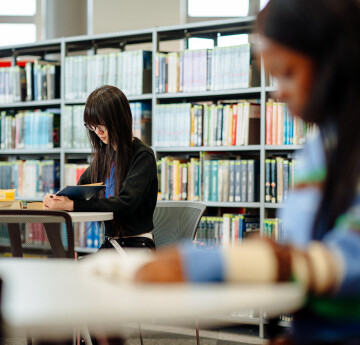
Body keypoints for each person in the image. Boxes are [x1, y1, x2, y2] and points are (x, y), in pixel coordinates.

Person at [134, 0, 360, 344]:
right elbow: (309, 262)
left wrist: (230, 265)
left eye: (288, 72)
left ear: (333, 61)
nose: (278, 91)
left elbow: (345, 261)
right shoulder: (319, 150)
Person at [43, 85, 158, 251]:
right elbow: (80, 191)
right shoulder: (104, 156)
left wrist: (71, 205)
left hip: (137, 245)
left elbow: (125, 204)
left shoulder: (143, 155)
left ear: (119, 120)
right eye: (92, 126)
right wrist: (57, 199)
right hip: (111, 244)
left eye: (102, 126)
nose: (98, 132)